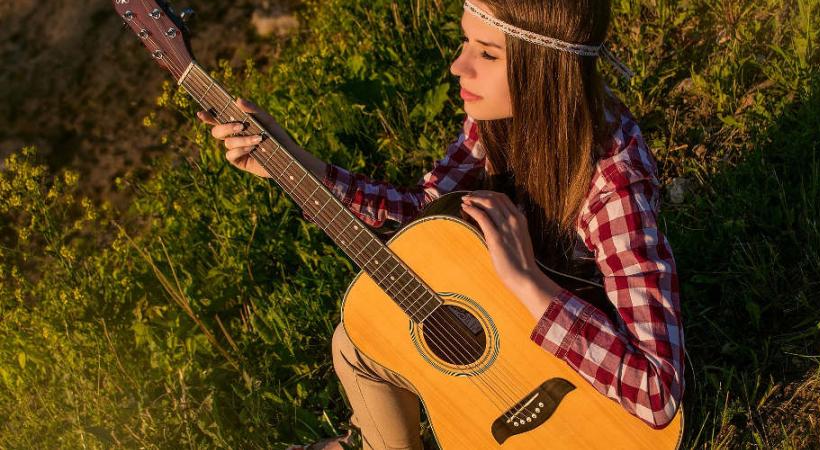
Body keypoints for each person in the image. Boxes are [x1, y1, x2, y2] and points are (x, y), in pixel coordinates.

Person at [199, 1, 684, 449]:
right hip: (506, 324)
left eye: (487, 54)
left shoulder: (614, 185)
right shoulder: (497, 117)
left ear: (546, 72)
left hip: (574, 390)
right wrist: (301, 166)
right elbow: (422, 210)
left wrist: (526, 282)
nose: (458, 66)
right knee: (355, 339)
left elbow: (657, 391)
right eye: (465, 42)